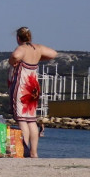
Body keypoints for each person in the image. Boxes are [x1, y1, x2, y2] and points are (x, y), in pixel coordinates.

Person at [8, 26, 57, 158]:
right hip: (34, 86)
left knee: (22, 119)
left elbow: (15, 55)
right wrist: (39, 58)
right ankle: (34, 152)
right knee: (31, 119)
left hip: (23, 86)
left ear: (18, 38)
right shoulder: (38, 48)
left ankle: (25, 149)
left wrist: (12, 62)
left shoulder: (22, 49)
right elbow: (53, 53)